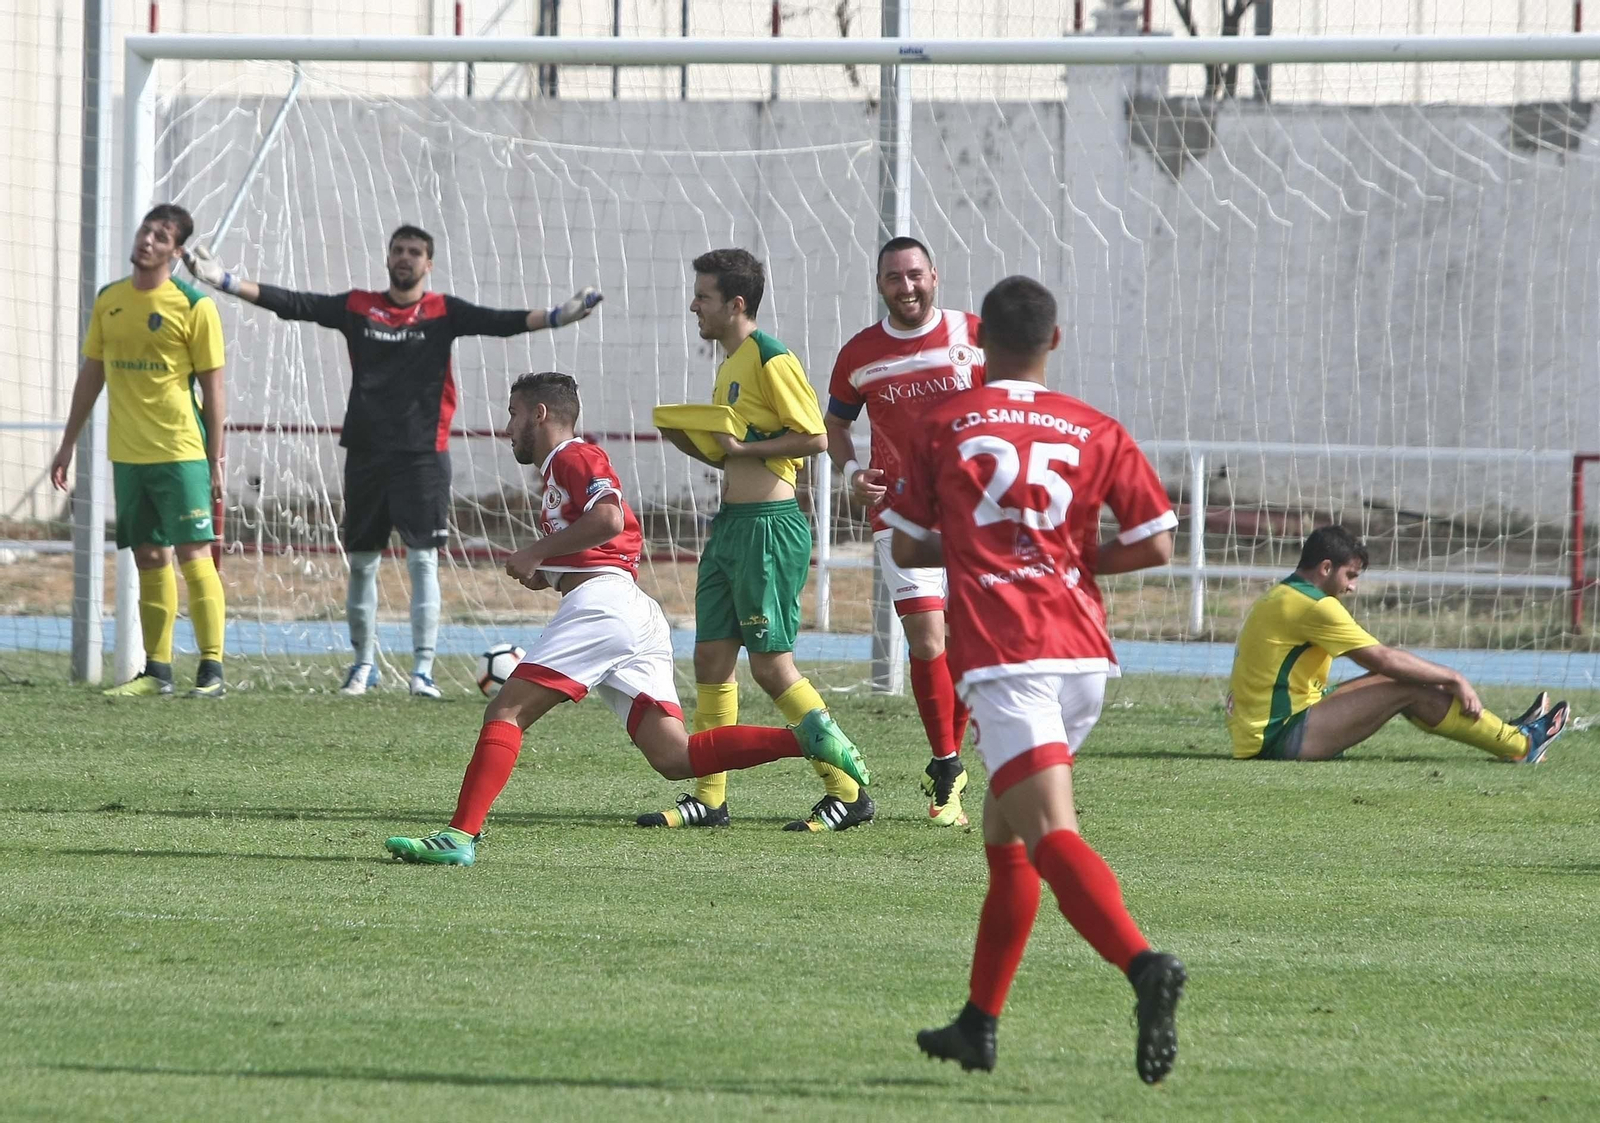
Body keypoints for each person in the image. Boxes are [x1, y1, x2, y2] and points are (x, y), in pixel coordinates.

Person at [885, 275, 1187, 1084]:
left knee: (1052, 832)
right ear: (1056, 339)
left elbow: (910, 549)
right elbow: (1158, 543)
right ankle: (979, 1023)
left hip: (1008, 657)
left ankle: (1142, 965)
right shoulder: (1095, 426)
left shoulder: (945, 421)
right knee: (1005, 833)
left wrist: (968, 544)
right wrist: (1072, 558)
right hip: (1083, 655)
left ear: (980, 340)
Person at [383, 372, 869, 866]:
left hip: (604, 607)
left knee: (506, 712)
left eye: (513, 413)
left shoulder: (573, 455)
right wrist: (549, 570)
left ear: (540, 414)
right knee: (675, 758)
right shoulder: (559, 470)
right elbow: (601, 543)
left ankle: (459, 835)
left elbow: (610, 518)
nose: (508, 427)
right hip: (629, 610)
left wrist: (536, 553)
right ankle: (804, 737)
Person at [184, 225, 600, 698]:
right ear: (388, 258)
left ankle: (422, 671)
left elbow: (501, 320)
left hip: (423, 457)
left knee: (422, 562)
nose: (405, 257)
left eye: (415, 252)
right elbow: (294, 303)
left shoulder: (444, 312)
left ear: (429, 264)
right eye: (398, 250)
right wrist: (224, 280)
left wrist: (558, 316)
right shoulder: (359, 306)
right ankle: (363, 665)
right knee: (362, 563)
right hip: (365, 453)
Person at [646, 247, 871, 833]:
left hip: (770, 530)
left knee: (772, 666)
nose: (693, 304)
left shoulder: (770, 357)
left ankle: (847, 789)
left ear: (735, 303)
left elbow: (816, 437)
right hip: (732, 529)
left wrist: (743, 451)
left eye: (704, 296)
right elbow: (736, 450)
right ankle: (709, 798)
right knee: (711, 658)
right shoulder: (730, 363)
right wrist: (695, 442)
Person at [825, 236, 984, 827]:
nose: (907, 286)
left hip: (975, 514)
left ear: (935, 276)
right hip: (902, 514)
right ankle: (946, 768)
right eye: (895, 278)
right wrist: (850, 472)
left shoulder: (975, 335)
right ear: (880, 285)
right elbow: (836, 425)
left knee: (967, 644)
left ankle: (953, 759)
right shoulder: (860, 353)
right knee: (927, 641)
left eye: (915, 274)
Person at [51, 204, 229, 699]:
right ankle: (158, 671)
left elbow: (214, 390)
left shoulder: (194, 306)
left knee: (194, 554)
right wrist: (67, 443)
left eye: (161, 236)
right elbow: (92, 375)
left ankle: (211, 669)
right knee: (149, 555)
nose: (147, 240)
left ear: (176, 251)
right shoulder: (110, 300)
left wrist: (216, 459)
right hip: (128, 454)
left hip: (181, 450)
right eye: (146, 231)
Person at [1227, 525, 1570, 763]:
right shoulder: (1313, 605)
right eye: (1351, 575)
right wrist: (1453, 677)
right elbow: (1381, 659)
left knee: (1411, 677)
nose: (1352, 587)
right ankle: (1523, 744)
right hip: (1278, 738)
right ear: (1326, 567)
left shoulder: (1281, 594)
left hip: (1267, 732)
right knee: (1406, 683)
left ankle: (1509, 733)